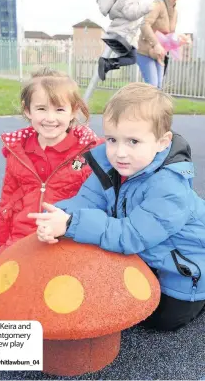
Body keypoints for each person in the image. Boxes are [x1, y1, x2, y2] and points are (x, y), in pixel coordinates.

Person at [29, 82, 205, 331]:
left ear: (162, 142)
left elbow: (131, 235)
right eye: (112, 139)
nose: (119, 152)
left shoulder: (169, 188)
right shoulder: (113, 167)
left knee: (158, 321)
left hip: (186, 268)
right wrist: (58, 216)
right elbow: (86, 201)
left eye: (133, 141)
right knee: (116, 294)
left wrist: (70, 224)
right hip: (149, 254)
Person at [0, 68, 102, 259]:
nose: (50, 118)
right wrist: (3, 243)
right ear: (28, 110)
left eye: (59, 109)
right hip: (22, 236)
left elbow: (97, 203)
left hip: (66, 238)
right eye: (41, 108)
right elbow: (8, 199)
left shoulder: (88, 155)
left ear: (73, 111)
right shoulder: (18, 152)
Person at [97, 0, 156, 81]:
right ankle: (107, 63)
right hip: (122, 34)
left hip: (118, 32)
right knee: (132, 58)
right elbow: (131, 13)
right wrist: (147, 8)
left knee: (131, 58)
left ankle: (108, 64)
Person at [137, 0, 188, 88]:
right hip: (146, 51)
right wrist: (156, 44)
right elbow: (144, 24)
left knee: (159, 87)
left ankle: (149, 105)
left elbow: (169, 36)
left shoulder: (175, 12)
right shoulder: (158, 4)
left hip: (159, 55)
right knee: (153, 85)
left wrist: (180, 39)